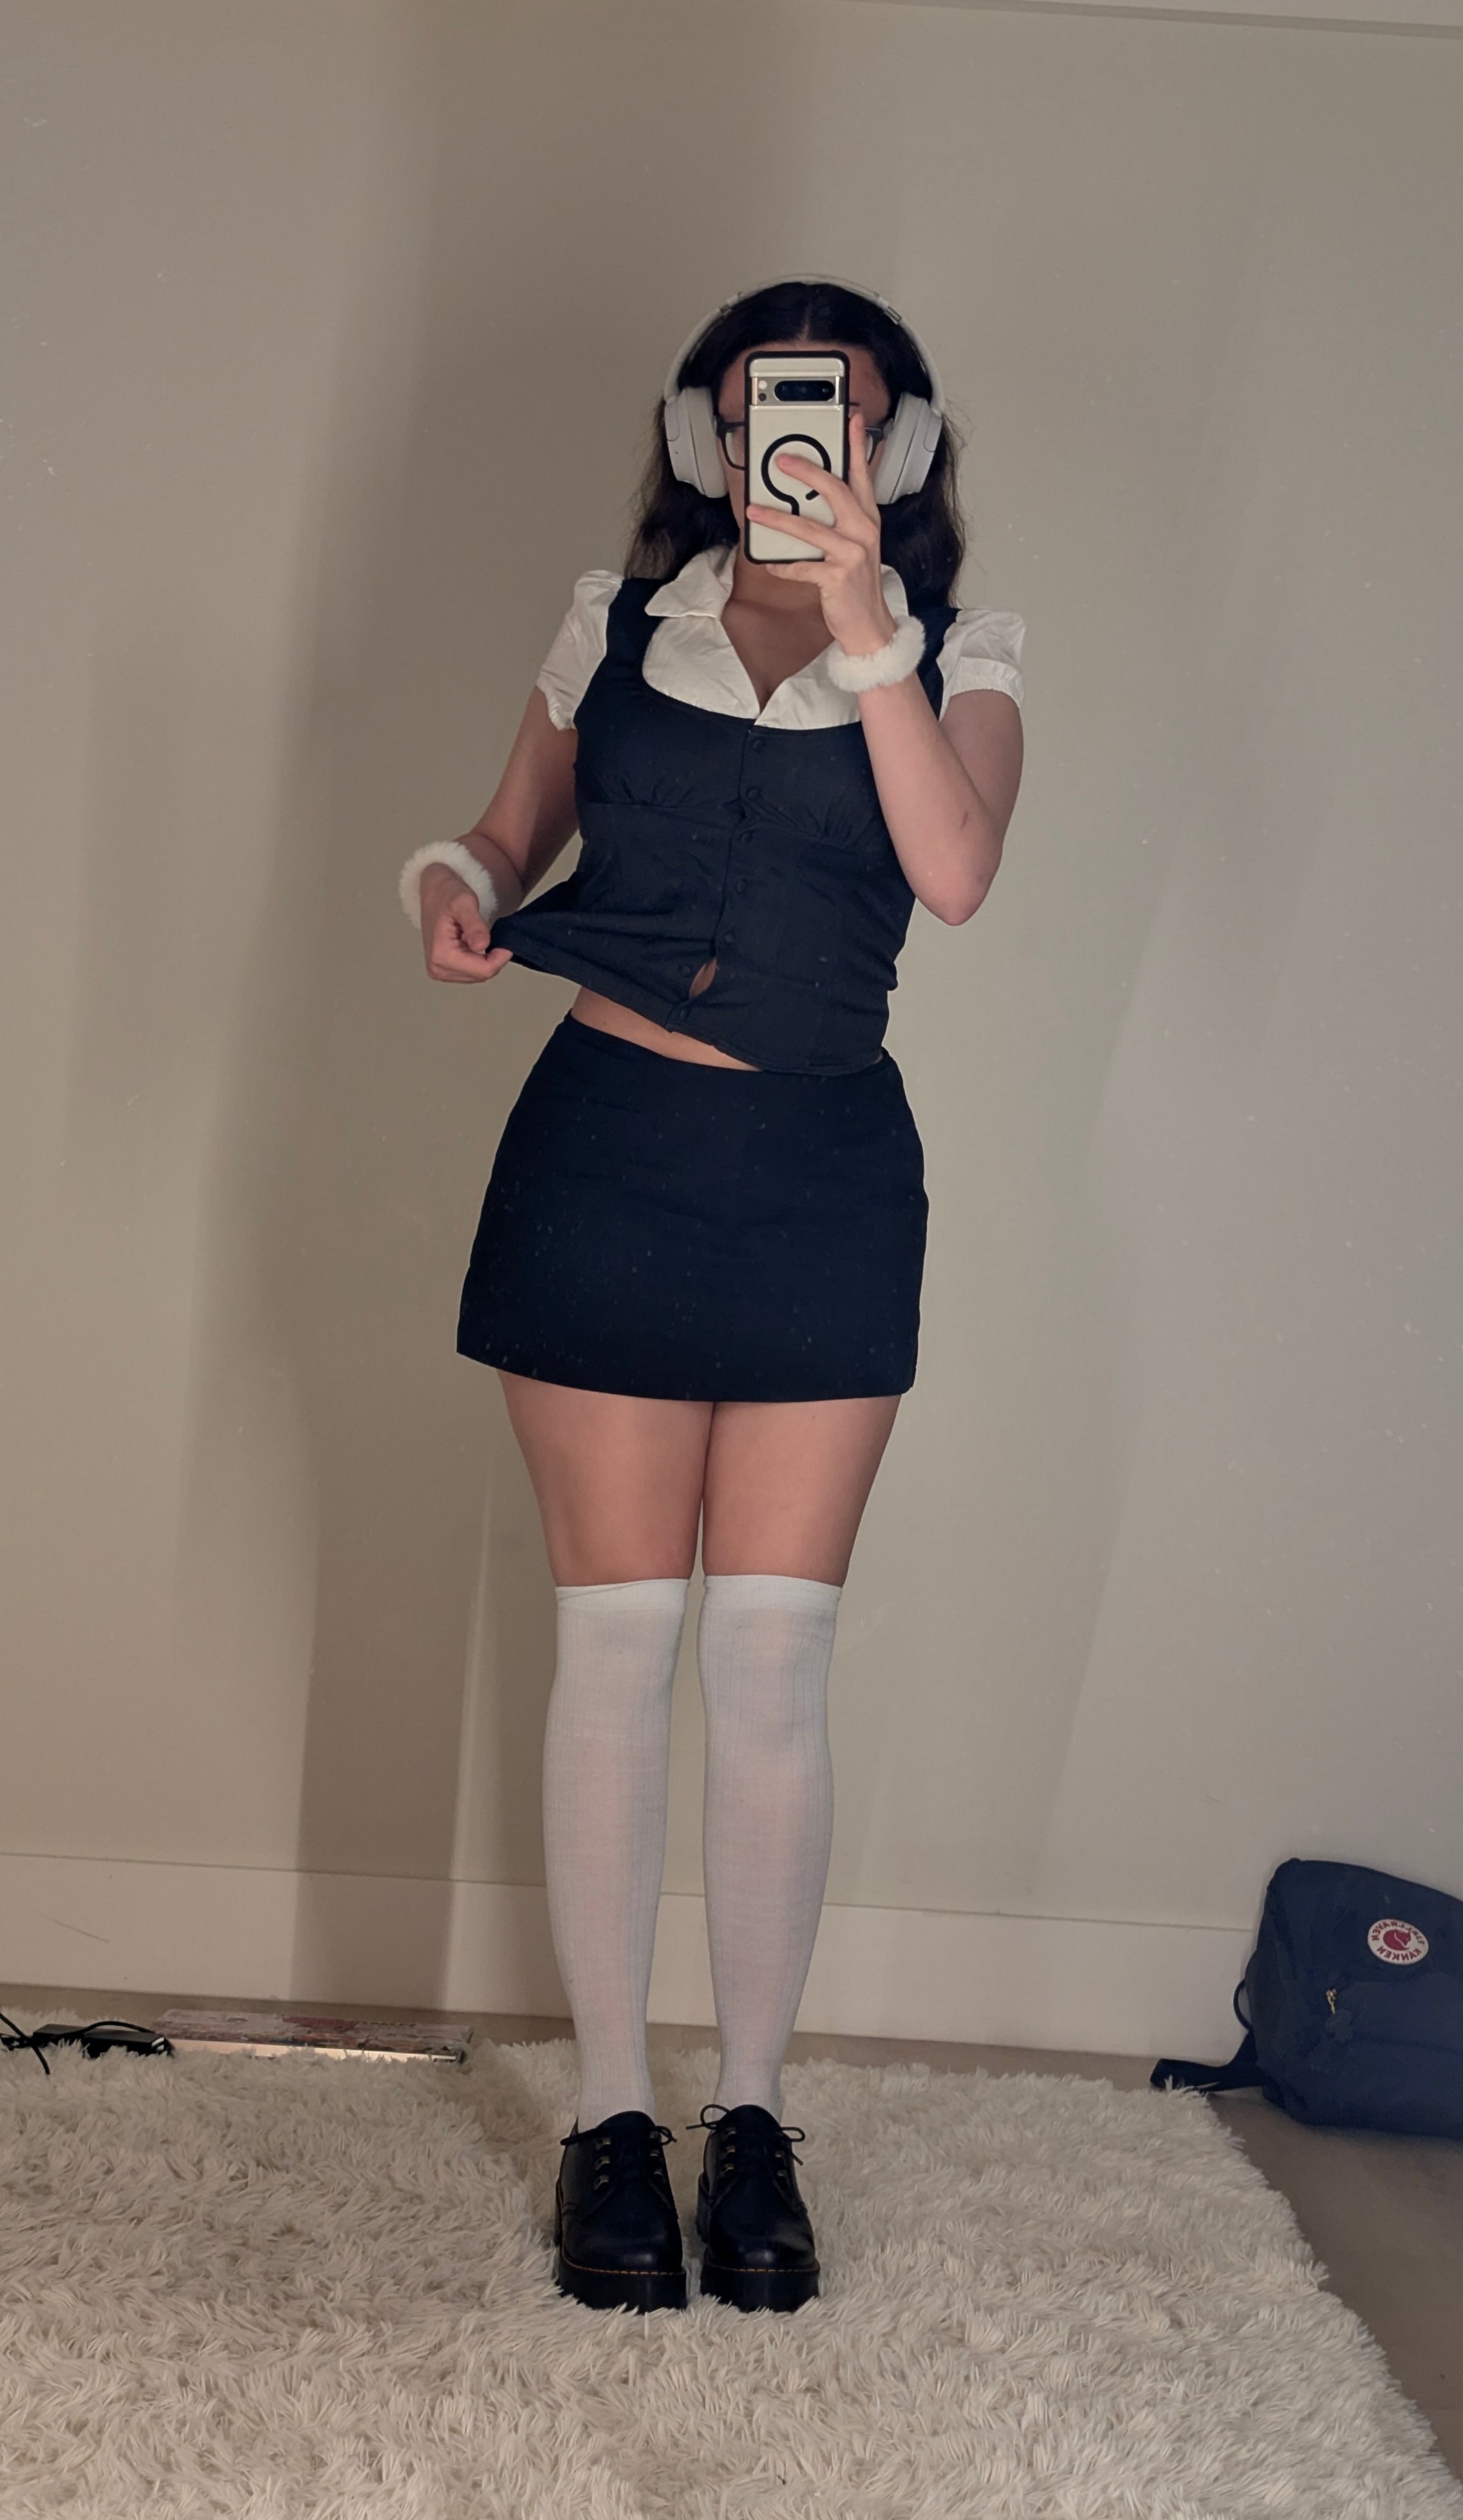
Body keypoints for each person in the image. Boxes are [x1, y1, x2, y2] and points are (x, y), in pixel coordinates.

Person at [399, 276, 1024, 2316]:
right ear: (704, 436)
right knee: (612, 1651)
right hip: (606, 1164)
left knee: (769, 1665)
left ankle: (747, 2117)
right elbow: (503, 837)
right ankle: (608, 2116)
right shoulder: (612, 626)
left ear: (895, 449)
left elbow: (953, 871)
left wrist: (863, 626)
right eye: (764, 414)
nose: (796, 448)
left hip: (820, 1183)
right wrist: (455, 889)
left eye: (836, 416)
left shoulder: (959, 656)